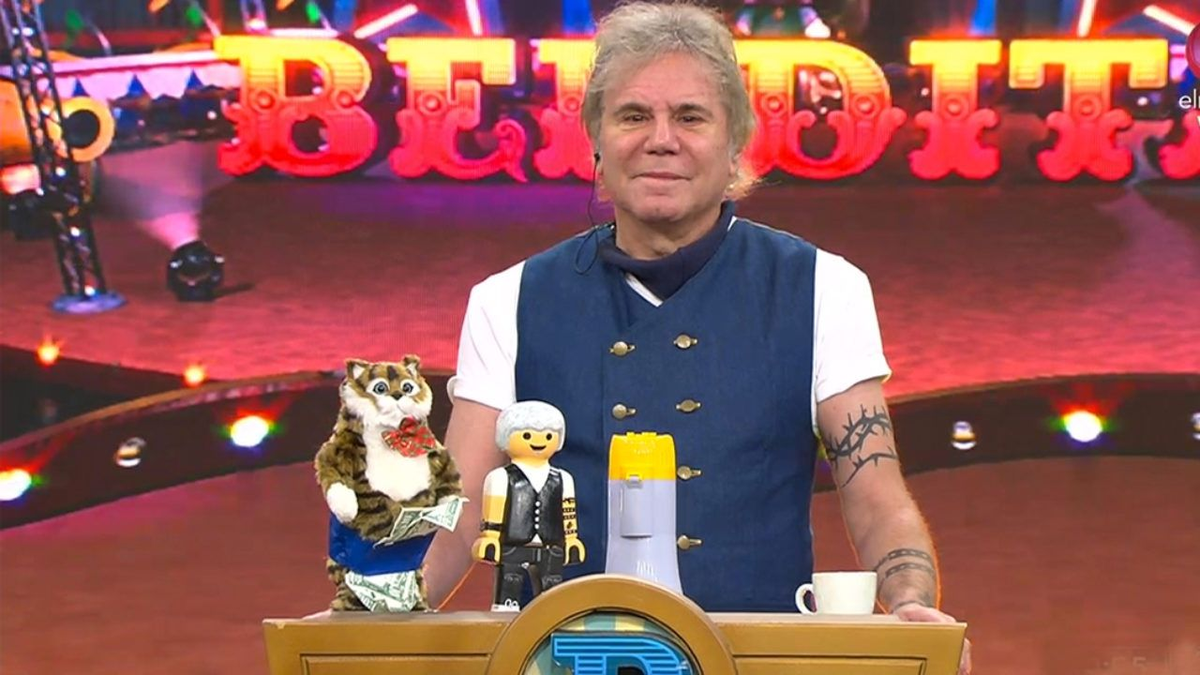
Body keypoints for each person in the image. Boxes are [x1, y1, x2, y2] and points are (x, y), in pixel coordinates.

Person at [425, 2, 970, 673]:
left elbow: (875, 493)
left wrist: (910, 603)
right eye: (633, 116)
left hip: (758, 662)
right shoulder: (506, 299)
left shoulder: (825, 287)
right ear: (596, 137)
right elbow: (460, 513)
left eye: (690, 117)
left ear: (735, 141)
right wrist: (376, 612)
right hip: (563, 659)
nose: (661, 140)